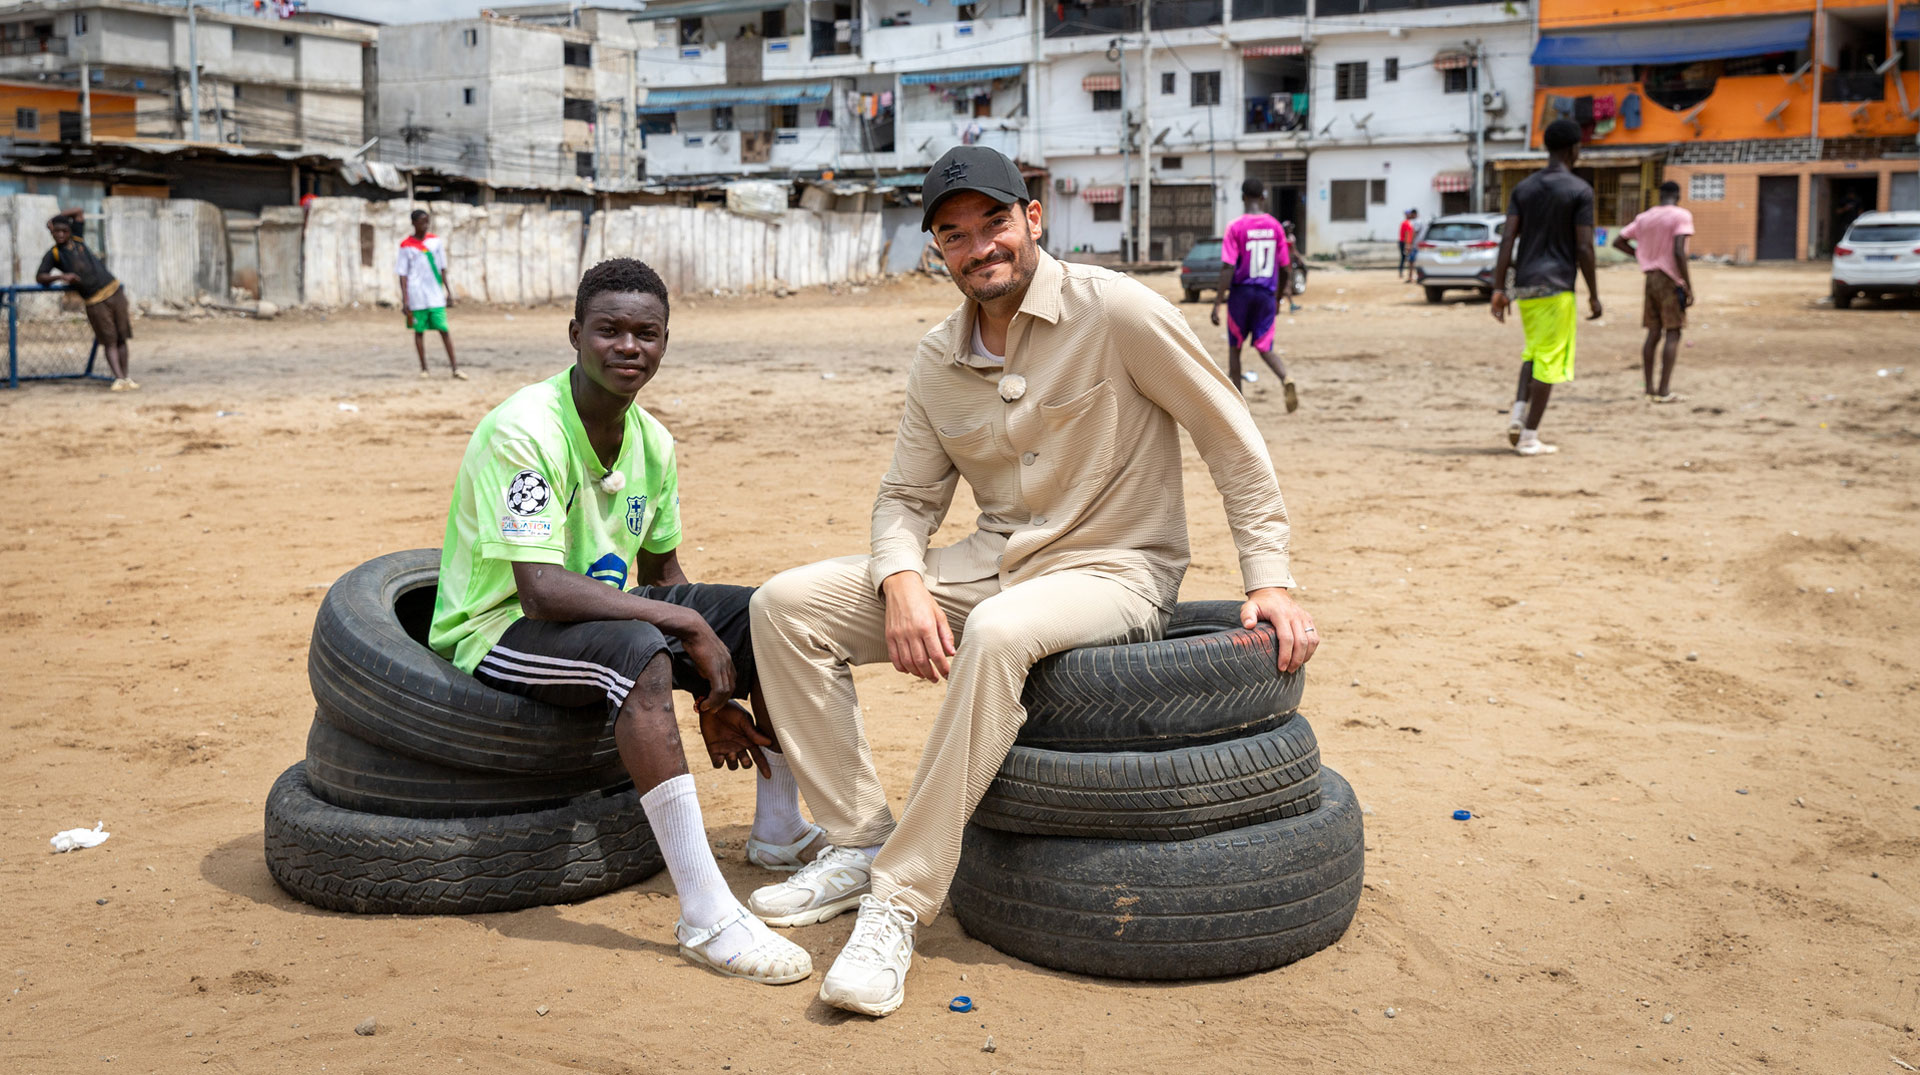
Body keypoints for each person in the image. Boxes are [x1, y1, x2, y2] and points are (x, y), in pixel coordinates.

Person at [744, 146, 1319, 1018]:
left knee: (1002, 631)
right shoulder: (938, 358)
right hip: (991, 562)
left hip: (1116, 569)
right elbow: (905, 496)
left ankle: (896, 903)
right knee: (784, 605)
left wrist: (1268, 578)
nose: (980, 248)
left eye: (994, 224)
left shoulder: (1115, 309)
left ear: (1033, 219)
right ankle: (861, 841)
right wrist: (900, 577)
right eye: (955, 234)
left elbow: (1228, 434)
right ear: (936, 250)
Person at [427, 258, 817, 985]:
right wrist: (680, 632)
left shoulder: (654, 443)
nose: (629, 347)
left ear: (666, 342)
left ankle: (779, 826)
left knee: (768, 612)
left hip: (583, 618)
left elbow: (668, 578)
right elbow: (541, 591)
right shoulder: (525, 431)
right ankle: (707, 914)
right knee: (641, 648)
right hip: (499, 628)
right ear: (576, 334)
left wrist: (713, 690)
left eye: (648, 333)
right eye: (610, 330)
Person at [1489, 118, 1601, 457]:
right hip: (1556, 286)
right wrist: (1594, 293)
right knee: (1549, 362)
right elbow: (1584, 247)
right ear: (1573, 150)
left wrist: (1499, 287)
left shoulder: (1523, 189)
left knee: (1534, 353)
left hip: (1525, 286)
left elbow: (1508, 238)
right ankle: (1529, 437)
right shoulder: (1580, 190)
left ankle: (1518, 415)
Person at [1209, 178, 1297, 412]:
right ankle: (1285, 377)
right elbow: (1286, 268)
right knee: (1264, 346)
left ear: (1242, 198)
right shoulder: (1275, 227)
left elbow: (1228, 267)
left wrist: (1217, 303)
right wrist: (1278, 298)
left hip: (1241, 294)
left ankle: (1238, 406)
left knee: (1235, 349)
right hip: (1266, 294)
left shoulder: (1235, 227)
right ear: (1263, 197)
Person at [1613, 180, 1695, 403]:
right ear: (1677, 196)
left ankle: (1649, 388)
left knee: (1653, 332)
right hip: (1670, 278)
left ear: (1660, 196)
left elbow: (1618, 241)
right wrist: (1687, 284)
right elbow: (1679, 251)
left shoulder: (1644, 218)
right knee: (1673, 332)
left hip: (1650, 278)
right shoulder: (1681, 216)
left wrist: (1641, 255)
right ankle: (1664, 390)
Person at [35, 211, 135, 391]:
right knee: (109, 340)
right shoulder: (55, 254)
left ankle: (127, 378)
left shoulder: (78, 239)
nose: (60, 234)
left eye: (64, 230)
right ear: (52, 234)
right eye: (56, 231)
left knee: (122, 338)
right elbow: (40, 276)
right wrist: (61, 277)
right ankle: (118, 378)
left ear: (69, 230)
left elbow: (79, 212)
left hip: (114, 291)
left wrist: (53, 218)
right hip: (95, 301)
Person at [396, 208, 464, 380]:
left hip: (435, 295)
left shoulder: (435, 242)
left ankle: (455, 368)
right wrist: (405, 300)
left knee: (444, 329)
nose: (425, 225)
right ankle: (424, 369)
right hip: (416, 296)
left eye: (427, 221)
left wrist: (448, 292)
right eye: (421, 221)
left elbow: (442, 268)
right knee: (419, 332)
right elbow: (402, 275)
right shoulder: (406, 246)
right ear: (413, 223)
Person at [1398, 209, 1420, 283]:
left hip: (1406, 242)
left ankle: (1409, 276)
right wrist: (1408, 244)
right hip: (1405, 242)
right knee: (1408, 259)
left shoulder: (1408, 222)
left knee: (1408, 259)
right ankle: (1407, 275)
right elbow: (1408, 234)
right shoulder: (1407, 223)